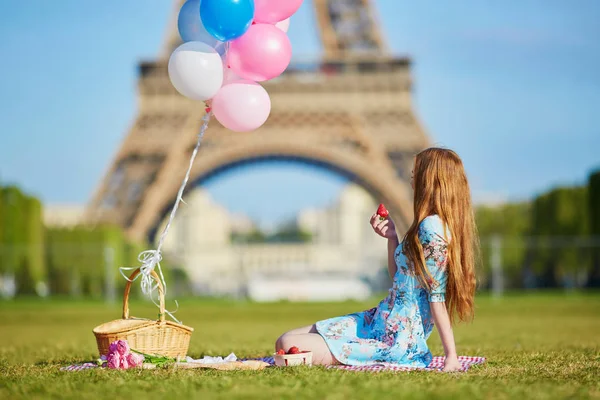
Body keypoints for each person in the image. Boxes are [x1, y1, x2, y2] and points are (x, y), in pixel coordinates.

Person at [275, 147, 478, 372]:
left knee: (287, 343)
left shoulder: (431, 228)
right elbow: (399, 279)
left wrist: (451, 356)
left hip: (393, 339)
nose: (411, 177)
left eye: (416, 173)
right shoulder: (427, 225)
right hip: (378, 322)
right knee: (287, 339)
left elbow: (436, 296)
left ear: (430, 178)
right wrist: (391, 237)